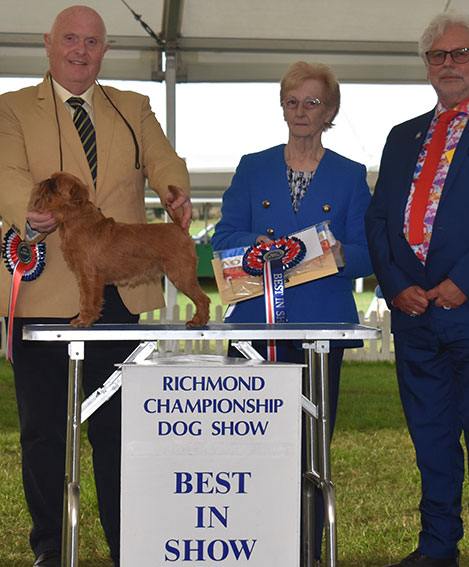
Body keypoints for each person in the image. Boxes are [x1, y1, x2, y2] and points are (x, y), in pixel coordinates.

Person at [0, 6, 191, 567]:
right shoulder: (11, 109)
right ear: (48, 43)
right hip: (39, 294)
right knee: (42, 435)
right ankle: (52, 550)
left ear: (105, 50)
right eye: (70, 40)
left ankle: (126, 547)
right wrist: (26, 213)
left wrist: (175, 190)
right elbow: (5, 173)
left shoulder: (133, 107)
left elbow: (161, 158)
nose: (81, 50)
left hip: (117, 295)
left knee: (119, 432)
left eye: (92, 42)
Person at [211, 61, 372, 565]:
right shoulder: (252, 165)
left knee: (310, 448)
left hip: (321, 329)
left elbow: (370, 251)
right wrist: (255, 244)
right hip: (256, 327)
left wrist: (337, 253)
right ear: (282, 107)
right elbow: (223, 238)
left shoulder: (349, 174)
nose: (302, 112)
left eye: (314, 102)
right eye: (293, 102)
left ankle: (307, 549)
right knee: (251, 445)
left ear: (332, 111)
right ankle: (253, 546)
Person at [365, 10, 469, 567]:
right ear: (426, 65)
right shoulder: (402, 137)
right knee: (430, 436)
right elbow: (378, 221)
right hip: (415, 314)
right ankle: (437, 544)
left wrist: (462, 283)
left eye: (460, 53)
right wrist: (396, 286)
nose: (449, 64)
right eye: (437, 55)